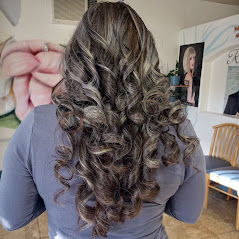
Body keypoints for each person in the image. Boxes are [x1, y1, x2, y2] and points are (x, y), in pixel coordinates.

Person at [0, 2, 206, 239]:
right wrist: (150, 199)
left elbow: (12, 219)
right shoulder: (178, 128)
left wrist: (53, 198)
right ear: (147, 60)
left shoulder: (37, 125)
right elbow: (189, 214)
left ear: (76, 58)